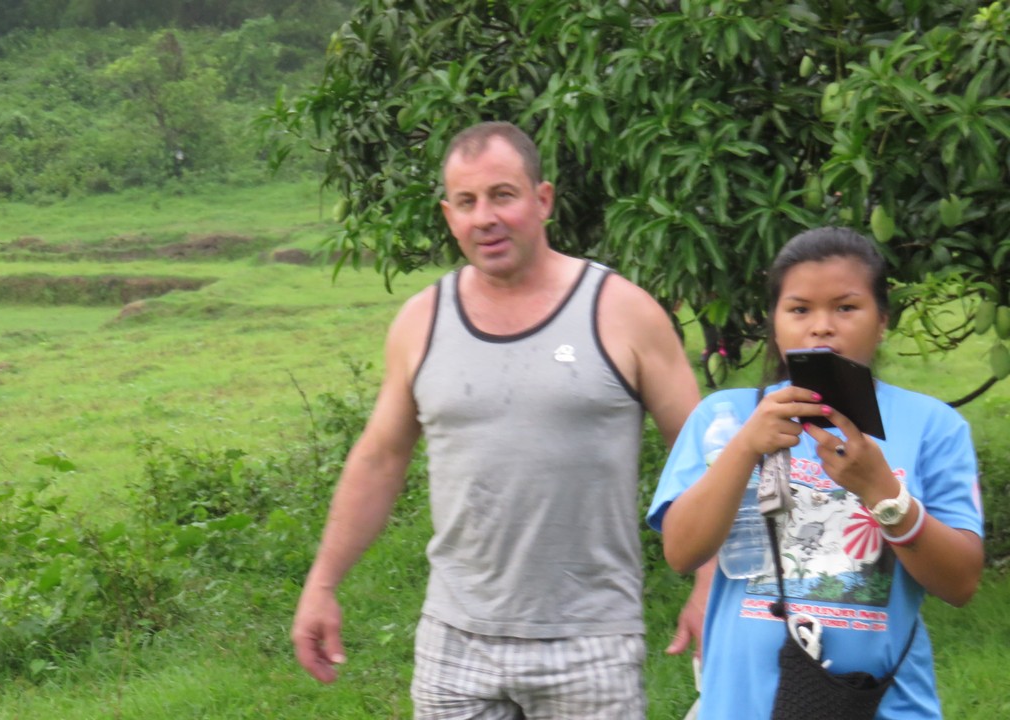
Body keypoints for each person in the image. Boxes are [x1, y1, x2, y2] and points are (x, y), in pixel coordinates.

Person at [291, 121, 709, 718]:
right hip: (455, 642)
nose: (484, 217)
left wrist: (711, 581)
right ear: (448, 216)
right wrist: (323, 583)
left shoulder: (621, 311)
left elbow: (699, 453)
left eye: (502, 195)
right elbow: (380, 459)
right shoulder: (422, 322)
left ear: (543, 200)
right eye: (466, 202)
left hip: (590, 641)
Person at [648, 227, 984, 717]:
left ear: (882, 321)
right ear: (775, 324)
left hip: (881, 703)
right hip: (744, 706)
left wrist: (882, 492)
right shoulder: (726, 417)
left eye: (846, 307)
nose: (822, 326)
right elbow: (682, 551)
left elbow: (960, 583)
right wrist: (745, 448)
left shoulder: (933, 426)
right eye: (800, 309)